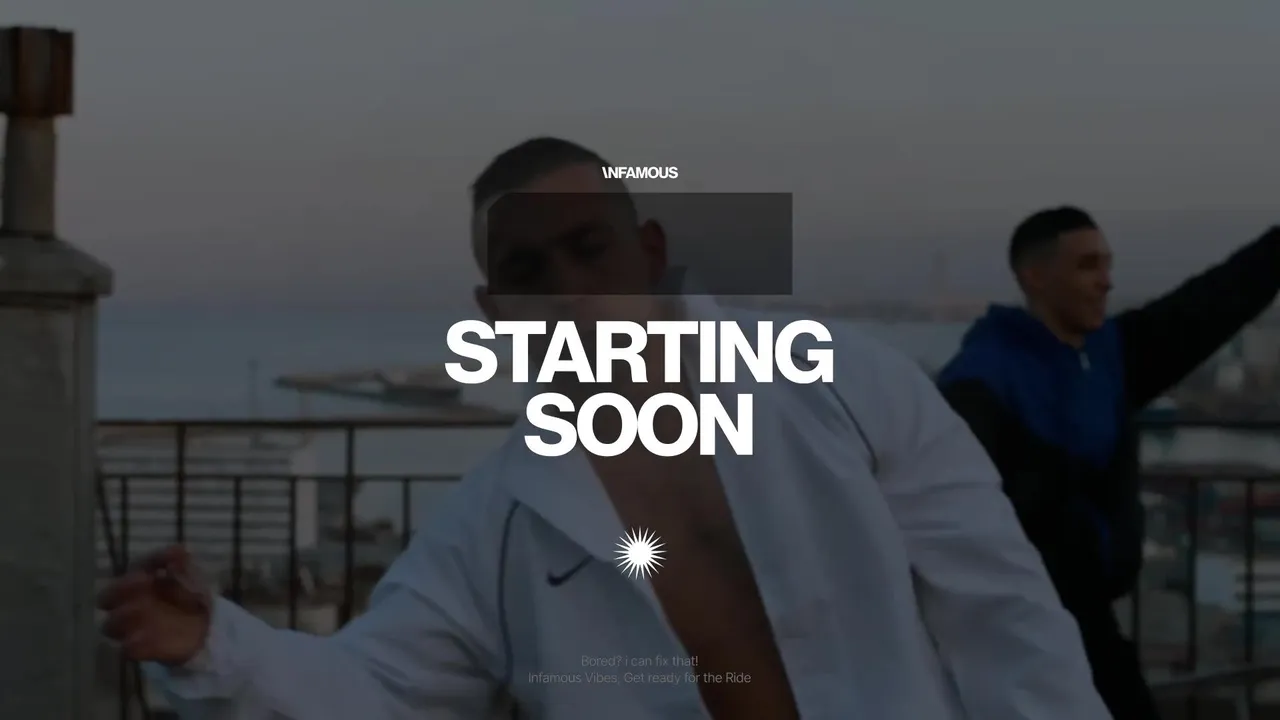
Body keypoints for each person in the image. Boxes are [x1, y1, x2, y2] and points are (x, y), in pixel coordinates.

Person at [99, 138, 1111, 719]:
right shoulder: (498, 523)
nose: (570, 292)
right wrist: (214, 644)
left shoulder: (843, 386)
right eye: (528, 273)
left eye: (592, 250)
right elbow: (376, 685)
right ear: (496, 309)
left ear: (651, 252)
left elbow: (1004, 615)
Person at [936, 206, 1280, 719]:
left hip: (1088, 618)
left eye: (1107, 264)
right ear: (1035, 277)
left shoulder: (1108, 356)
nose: (1106, 281)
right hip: (1016, 627)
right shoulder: (982, 380)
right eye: (1087, 266)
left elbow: (1214, 301)